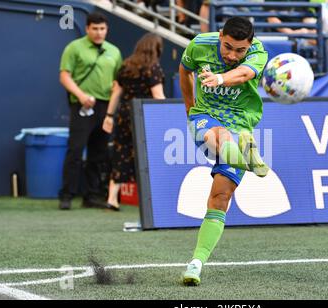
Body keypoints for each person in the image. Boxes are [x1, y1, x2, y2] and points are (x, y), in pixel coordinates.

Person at [179, 17, 269, 285]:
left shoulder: (258, 53)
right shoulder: (199, 45)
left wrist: (219, 78)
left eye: (240, 50)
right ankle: (244, 153)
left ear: (249, 45)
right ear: (220, 36)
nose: (232, 55)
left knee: (220, 196)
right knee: (220, 136)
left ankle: (196, 263)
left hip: (241, 121)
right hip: (206, 116)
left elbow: (243, 74)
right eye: (228, 47)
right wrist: (189, 107)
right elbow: (184, 71)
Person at [59, 12, 122, 210]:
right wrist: (81, 96)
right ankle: (67, 195)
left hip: (105, 107)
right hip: (82, 105)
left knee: (99, 152)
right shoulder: (74, 47)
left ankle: (91, 195)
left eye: (102, 28)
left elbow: (117, 83)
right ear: (87, 29)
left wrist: (111, 110)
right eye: (94, 28)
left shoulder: (114, 51)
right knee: (75, 150)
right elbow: (64, 76)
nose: (98, 32)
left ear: (107, 29)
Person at [102, 33, 166, 211]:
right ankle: (153, 199)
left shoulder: (126, 66)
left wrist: (109, 115)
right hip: (146, 115)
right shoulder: (153, 68)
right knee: (149, 155)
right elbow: (158, 96)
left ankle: (112, 198)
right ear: (156, 49)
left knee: (121, 152)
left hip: (125, 114)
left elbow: (116, 93)